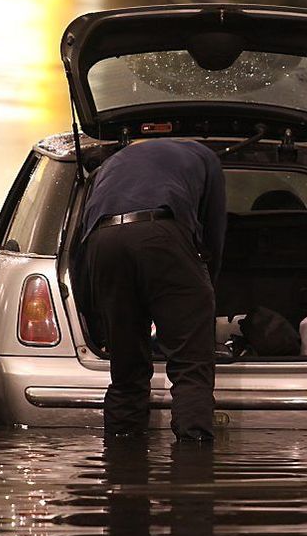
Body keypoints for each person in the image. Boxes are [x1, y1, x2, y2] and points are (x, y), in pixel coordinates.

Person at [80, 139, 226, 440]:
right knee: (190, 367)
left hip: (102, 241)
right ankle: (194, 462)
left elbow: (78, 249)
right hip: (161, 233)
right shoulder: (205, 157)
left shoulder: (112, 162)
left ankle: (120, 463)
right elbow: (214, 231)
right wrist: (207, 291)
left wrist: (97, 323)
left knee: (126, 369)